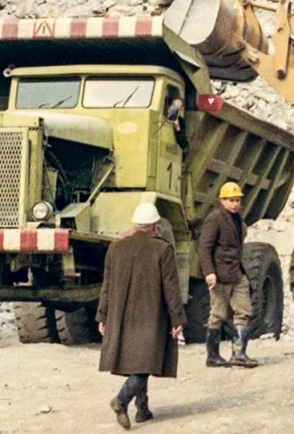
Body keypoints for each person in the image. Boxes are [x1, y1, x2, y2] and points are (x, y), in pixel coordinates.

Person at [97, 202, 185, 429]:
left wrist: (103, 315)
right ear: (155, 226)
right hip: (150, 316)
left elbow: (106, 286)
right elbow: (171, 288)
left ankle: (142, 410)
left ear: (135, 225)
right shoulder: (163, 249)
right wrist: (177, 319)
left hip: (123, 316)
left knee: (140, 360)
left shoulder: (115, 249)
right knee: (145, 364)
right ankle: (121, 399)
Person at [198, 181, 257, 368]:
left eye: (238, 200)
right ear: (222, 201)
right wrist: (209, 272)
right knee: (218, 314)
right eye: (231, 200)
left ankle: (239, 354)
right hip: (220, 274)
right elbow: (204, 248)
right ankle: (213, 356)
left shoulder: (238, 220)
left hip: (237, 273)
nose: (235, 204)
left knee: (244, 310)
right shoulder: (214, 219)